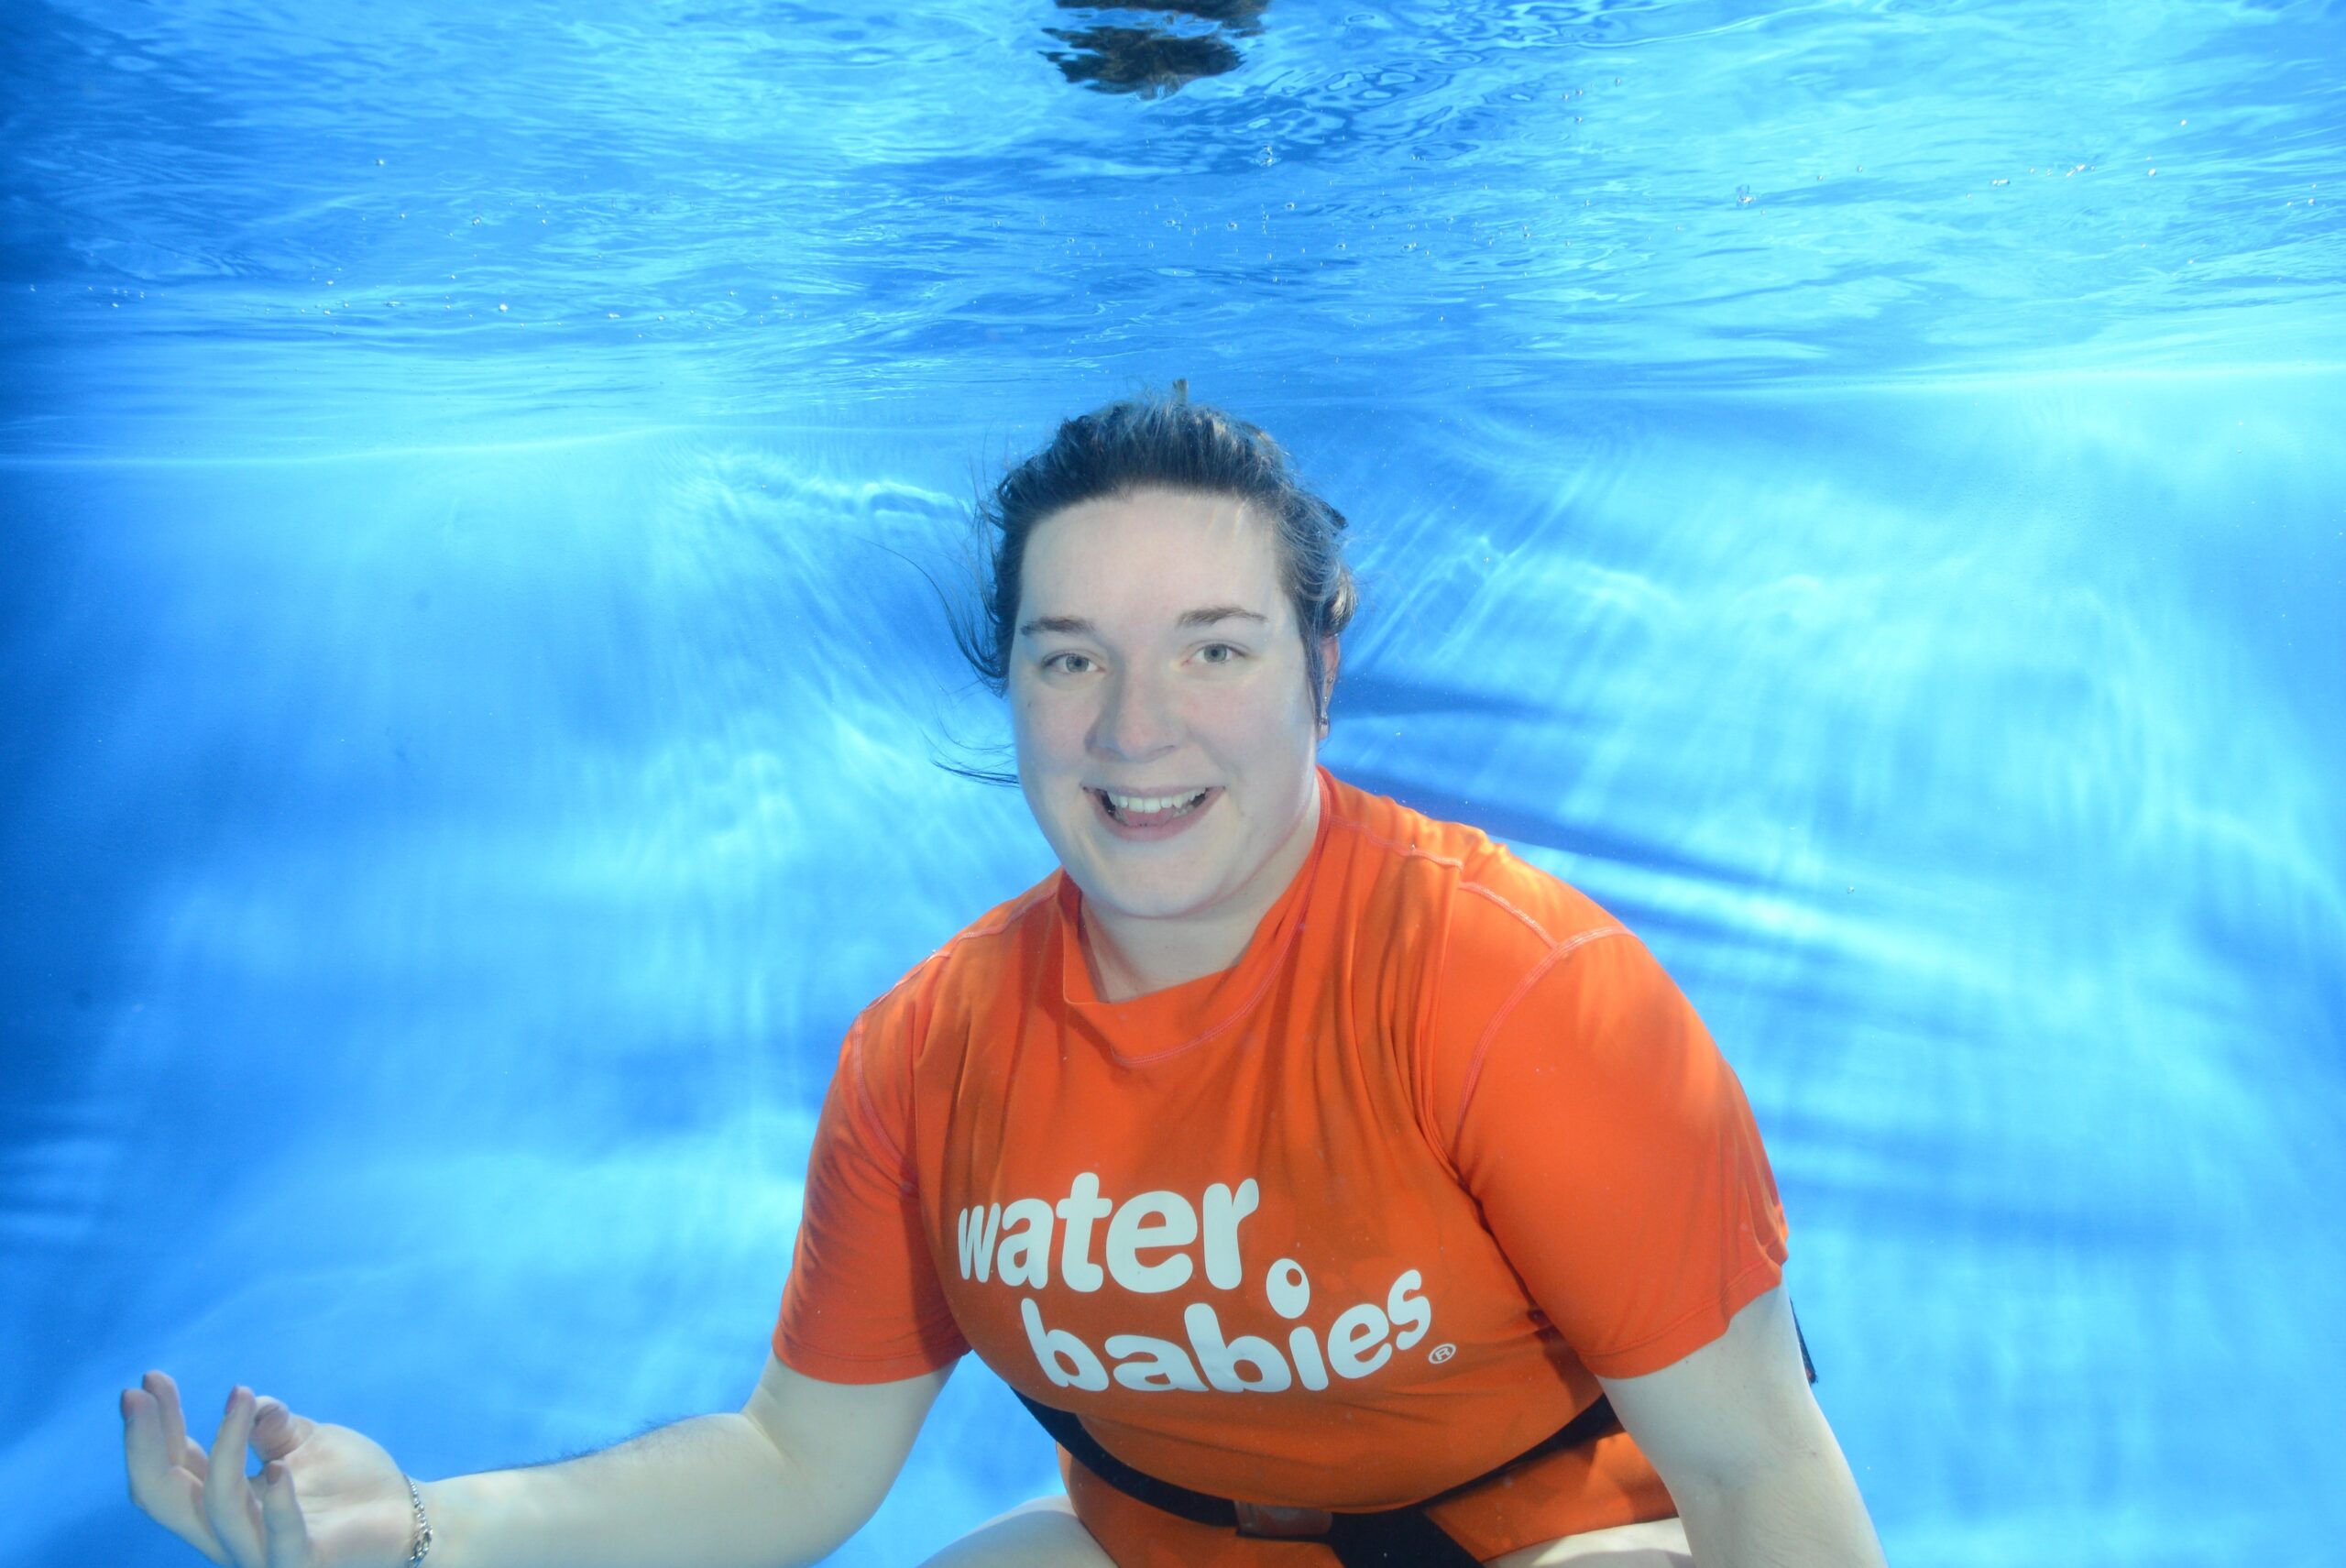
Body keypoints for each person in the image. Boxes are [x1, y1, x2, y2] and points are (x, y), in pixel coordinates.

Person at [123, 392, 1888, 1568]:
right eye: (1070, 659)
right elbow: (795, 1468)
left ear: (1322, 661)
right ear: (1011, 684)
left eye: (1214, 650)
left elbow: (1757, 1473)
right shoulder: (928, 1055)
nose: (1136, 730)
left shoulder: (1522, 992)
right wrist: (429, 1527)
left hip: (1576, 1545)